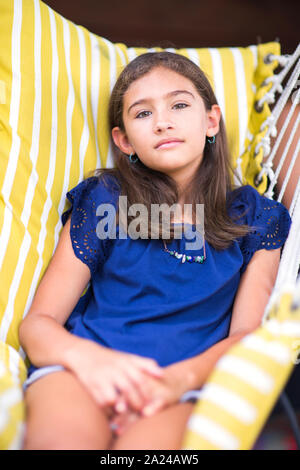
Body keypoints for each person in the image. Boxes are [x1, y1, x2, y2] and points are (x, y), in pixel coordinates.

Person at [19, 52, 292, 450]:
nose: (163, 121)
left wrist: (174, 382)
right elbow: (38, 325)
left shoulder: (255, 218)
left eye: (179, 105)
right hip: (82, 370)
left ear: (211, 120)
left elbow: (245, 338)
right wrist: (91, 363)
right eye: (142, 114)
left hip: (181, 387)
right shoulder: (106, 200)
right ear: (125, 140)